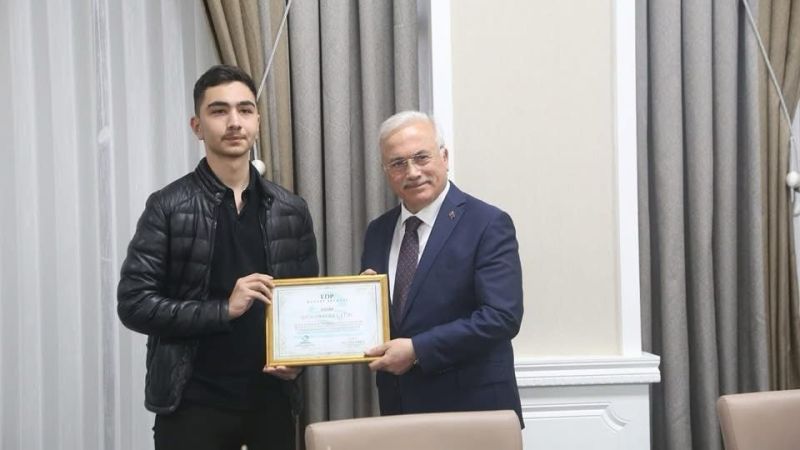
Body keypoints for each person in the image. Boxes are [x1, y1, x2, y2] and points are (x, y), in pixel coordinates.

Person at [117, 64, 318, 450]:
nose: (234, 122)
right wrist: (224, 309)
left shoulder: (291, 209)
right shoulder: (167, 207)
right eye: (219, 111)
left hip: (272, 402)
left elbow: (305, 307)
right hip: (192, 405)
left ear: (257, 121)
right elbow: (134, 304)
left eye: (245, 110)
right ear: (197, 126)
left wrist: (300, 360)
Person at [362, 111, 524, 425]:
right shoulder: (378, 231)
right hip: (400, 409)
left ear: (444, 157)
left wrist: (417, 349)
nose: (412, 172)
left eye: (421, 157)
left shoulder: (487, 223)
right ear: (386, 172)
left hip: (473, 410)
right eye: (398, 163)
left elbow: (501, 317)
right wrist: (364, 304)